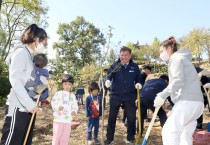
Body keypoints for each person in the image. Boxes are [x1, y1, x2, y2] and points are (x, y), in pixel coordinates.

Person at [0, 24, 48, 145]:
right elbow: (16, 80)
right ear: (37, 39)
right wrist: (29, 104)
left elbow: (29, 84)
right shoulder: (21, 52)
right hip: (17, 106)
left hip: (28, 107)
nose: (44, 47)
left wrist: (42, 88)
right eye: (44, 43)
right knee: (12, 141)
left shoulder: (31, 59)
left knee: (24, 141)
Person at [154, 36, 204, 145]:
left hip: (188, 101)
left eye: (162, 51)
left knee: (169, 131)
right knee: (184, 135)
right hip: (196, 103)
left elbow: (177, 81)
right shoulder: (183, 59)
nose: (161, 54)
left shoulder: (176, 59)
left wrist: (163, 95)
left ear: (170, 48)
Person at [104, 46, 141, 145]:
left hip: (129, 96)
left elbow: (139, 78)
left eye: (126, 55)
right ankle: (109, 139)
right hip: (115, 95)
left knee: (131, 118)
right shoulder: (115, 65)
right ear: (119, 55)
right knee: (112, 118)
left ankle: (130, 138)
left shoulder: (134, 67)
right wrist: (107, 80)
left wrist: (139, 83)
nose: (123, 57)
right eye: (122, 55)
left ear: (130, 56)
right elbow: (109, 75)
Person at [51, 74, 78, 145]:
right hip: (58, 120)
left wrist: (74, 111)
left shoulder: (72, 95)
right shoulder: (58, 94)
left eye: (69, 84)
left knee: (65, 138)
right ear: (62, 84)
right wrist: (57, 107)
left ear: (72, 85)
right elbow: (53, 103)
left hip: (68, 121)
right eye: (65, 84)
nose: (67, 86)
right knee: (56, 137)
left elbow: (75, 106)